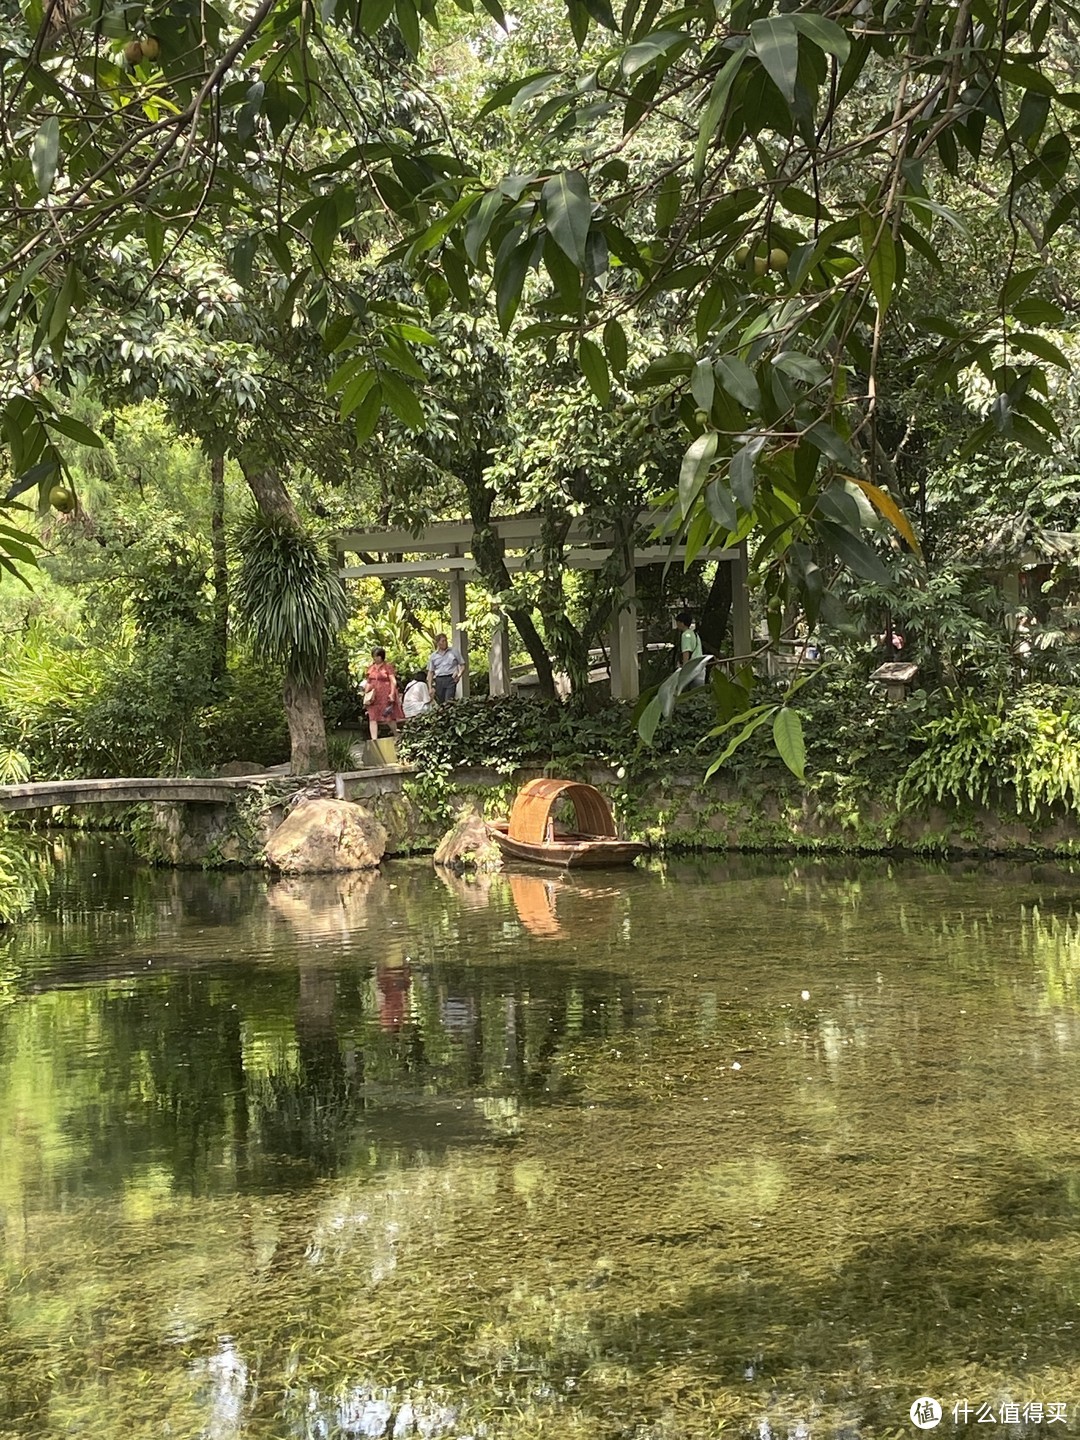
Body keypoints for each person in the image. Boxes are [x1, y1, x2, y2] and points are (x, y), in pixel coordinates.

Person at [364, 647, 404, 741]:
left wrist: (392, 693)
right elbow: (369, 681)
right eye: (373, 656)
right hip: (374, 696)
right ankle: (374, 740)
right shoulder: (371, 668)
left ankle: (396, 735)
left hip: (385, 694)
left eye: (376, 656)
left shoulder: (387, 667)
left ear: (381, 657)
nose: (375, 658)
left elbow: (393, 681)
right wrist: (366, 693)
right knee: (372, 717)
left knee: (388, 717)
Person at [427, 632, 465, 705]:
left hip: (450, 678)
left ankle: (449, 714)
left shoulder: (454, 651)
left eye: (446, 640)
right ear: (438, 643)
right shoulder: (433, 656)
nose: (445, 643)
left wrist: (459, 675)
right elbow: (430, 672)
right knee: (440, 702)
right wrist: (430, 687)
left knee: (449, 700)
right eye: (443, 641)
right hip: (439, 679)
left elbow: (462, 665)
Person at [674, 609, 707, 685]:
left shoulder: (685, 635)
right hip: (700, 668)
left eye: (678, 622)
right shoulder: (695, 634)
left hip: (692, 670)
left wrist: (684, 671)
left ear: (682, 623)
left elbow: (686, 653)